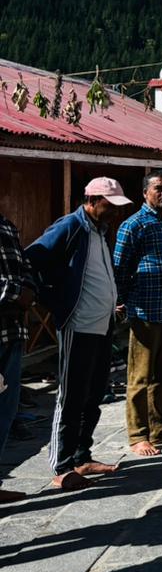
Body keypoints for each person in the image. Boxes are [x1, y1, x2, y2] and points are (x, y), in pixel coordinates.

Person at [27, 178, 131, 488]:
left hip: (102, 324)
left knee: (94, 394)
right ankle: (62, 466)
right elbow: (32, 259)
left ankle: (82, 456)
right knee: (71, 396)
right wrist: (56, 300)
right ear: (92, 201)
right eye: (110, 206)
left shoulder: (101, 230)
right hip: (79, 324)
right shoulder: (70, 226)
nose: (115, 212)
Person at [114, 169, 162, 457]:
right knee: (140, 376)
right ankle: (138, 435)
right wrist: (121, 301)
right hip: (145, 310)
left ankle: (160, 427)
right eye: (159, 188)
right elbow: (120, 268)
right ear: (145, 193)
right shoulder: (133, 225)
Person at [0, 208, 36, 504]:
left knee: (6, 410)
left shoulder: (7, 226)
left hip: (12, 332)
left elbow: (26, 267)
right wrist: (14, 293)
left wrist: (29, 288)